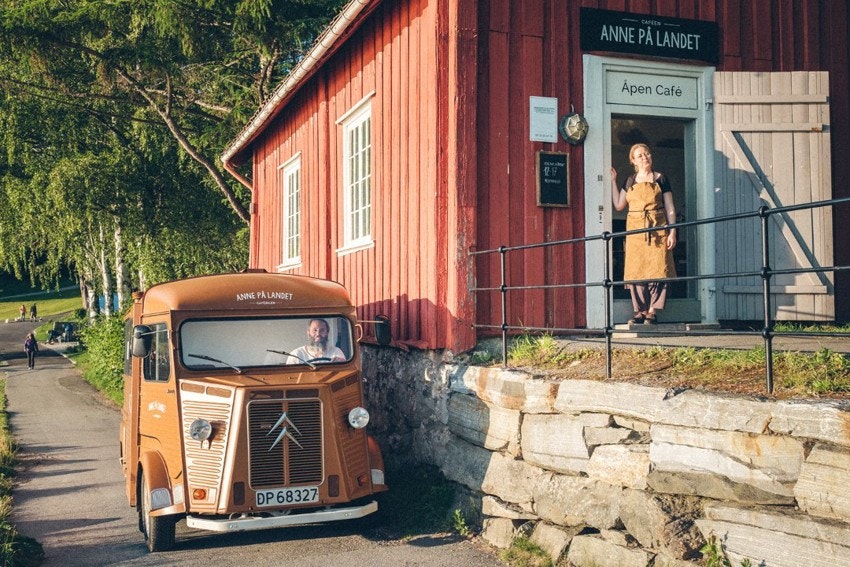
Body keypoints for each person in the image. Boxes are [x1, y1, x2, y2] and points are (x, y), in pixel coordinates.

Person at [610, 143, 677, 325]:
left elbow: (670, 208)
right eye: (640, 155)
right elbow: (619, 205)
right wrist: (613, 182)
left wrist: (672, 232)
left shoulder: (661, 179)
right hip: (635, 231)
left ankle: (652, 311)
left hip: (658, 229)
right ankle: (640, 311)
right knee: (636, 270)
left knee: (658, 267)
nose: (645, 157)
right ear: (633, 161)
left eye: (646, 154)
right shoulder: (630, 181)